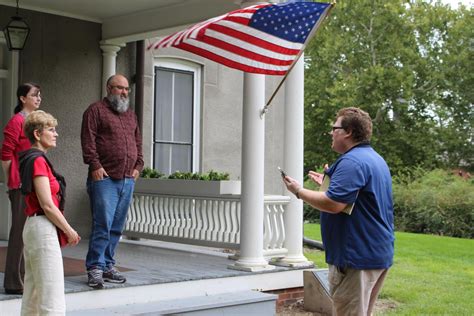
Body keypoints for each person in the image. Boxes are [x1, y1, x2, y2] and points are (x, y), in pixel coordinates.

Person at [282, 107, 394, 316]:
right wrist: (327, 184)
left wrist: (298, 191)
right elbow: (353, 199)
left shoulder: (352, 162)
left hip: (356, 257)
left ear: (348, 131)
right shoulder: (374, 158)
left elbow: (334, 204)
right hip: (374, 252)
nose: (331, 133)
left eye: (335, 128)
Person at [81, 74, 143, 289]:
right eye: (119, 88)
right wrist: (95, 166)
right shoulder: (95, 111)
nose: (124, 92)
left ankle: (108, 265)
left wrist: (138, 166)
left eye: (127, 89)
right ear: (109, 88)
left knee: (116, 226)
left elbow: (138, 142)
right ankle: (95, 268)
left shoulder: (130, 116)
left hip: (127, 178)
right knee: (103, 225)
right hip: (104, 178)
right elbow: (88, 141)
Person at [19, 110, 81, 315]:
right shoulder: (37, 160)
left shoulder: (32, 159)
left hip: (35, 227)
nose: (56, 134)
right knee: (51, 297)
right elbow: (47, 204)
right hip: (42, 227)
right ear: (37, 134)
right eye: (51, 130)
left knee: (34, 295)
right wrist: (69, 230)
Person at [1, 83, 41, 295]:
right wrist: (12, 181)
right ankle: (13, 282)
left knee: (28, 232)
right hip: (20, 184)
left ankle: (25, 279)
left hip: (33, 182)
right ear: (22, 98)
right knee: (19, 232)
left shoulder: (34, 121)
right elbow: (6, 154)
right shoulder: (17, 121)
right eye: (34, 95)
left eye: (39, 95)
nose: (38, 98)